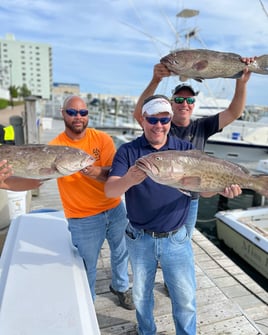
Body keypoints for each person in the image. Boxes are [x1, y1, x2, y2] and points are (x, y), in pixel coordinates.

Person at [104, 95, 241, 335]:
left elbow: (204, 190)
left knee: (185, 298)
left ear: (170, 120)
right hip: (139, 237)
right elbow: (110, 190)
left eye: (164, 119)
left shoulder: (186, 149)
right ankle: (146, 331)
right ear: (143, 120)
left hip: (176, 238)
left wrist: (223, 188)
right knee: (141, 295)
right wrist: (129, 179)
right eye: (153, 119)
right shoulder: (128, 151)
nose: (159, 125)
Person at [133, 59, 253, 238]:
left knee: (184, 240)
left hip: (191, 198)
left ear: (193, 104)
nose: (184, 104)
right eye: (179, 99)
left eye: (189, 100)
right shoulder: (160, 125)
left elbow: (233, 112)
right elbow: (139, 114)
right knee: (156, 241)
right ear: (172, 104)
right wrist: (155, 80)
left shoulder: (202, 126)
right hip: (161, 194)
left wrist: (241, 82)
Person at [48, 95, 134, 310]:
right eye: (72, 112)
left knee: (122, 252)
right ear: (63, 114)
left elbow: (116, 172)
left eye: (83, 112)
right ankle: (87, 302)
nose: (78, 117)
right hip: (81, 217)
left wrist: (97, 172)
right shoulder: (54, 146)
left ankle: (121, 287)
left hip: (114, 208)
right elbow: (38, 174)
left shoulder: (103, 139)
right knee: (87, 265)